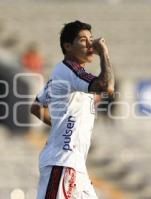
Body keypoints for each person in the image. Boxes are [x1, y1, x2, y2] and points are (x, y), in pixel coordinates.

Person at [30, 20, 115, 199]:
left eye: (90, 39)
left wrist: (59, 125)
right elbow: (107, 86)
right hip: (61, 162)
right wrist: (104, 53)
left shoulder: (62, 73)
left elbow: (36, 107)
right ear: (68, 46)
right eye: (83, 40)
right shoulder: (70, 70)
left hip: (76, 166)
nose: (90, 44)